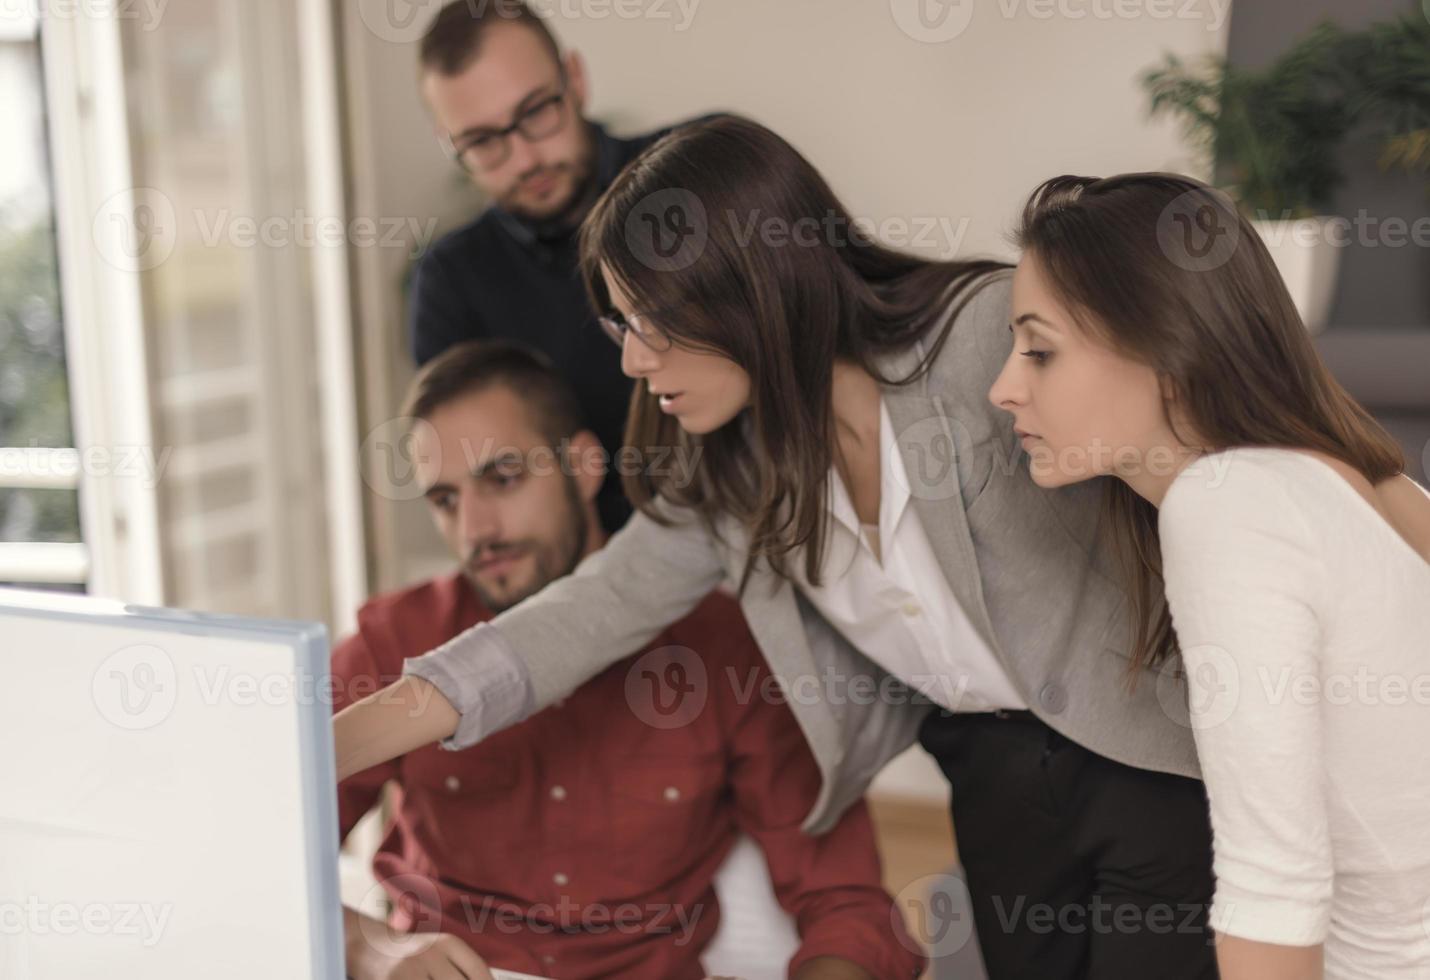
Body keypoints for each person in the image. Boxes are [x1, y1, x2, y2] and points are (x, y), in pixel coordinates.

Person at [335, 115, 1219, 979]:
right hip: (990, 778)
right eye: (621, 326)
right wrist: (316, 747)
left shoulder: (987, 337)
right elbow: (576, 618)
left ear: (743, 286)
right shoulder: (733, 479)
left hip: (1144, 759)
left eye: (650, 321)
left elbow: (1203, 449)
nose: (634, 363)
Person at [335, 339, 923, 980]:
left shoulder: (725, 652)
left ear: (584, 467)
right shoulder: (393, 639)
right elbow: (250, 836)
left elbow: (844, 902)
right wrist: (376, 948)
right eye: (445, 500)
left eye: (502, 479)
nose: (475, 530)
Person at [989, 172, 1430, 979]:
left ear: (1162, 345)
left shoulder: (1226, 503)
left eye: (1040, 350)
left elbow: (1274, 889)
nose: (1004, 388)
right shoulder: (1340, 476)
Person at [410, 0, 718, 533]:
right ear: (449, 143)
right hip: (595, 581)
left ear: (574, 79)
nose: (526, 159)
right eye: (483, 141)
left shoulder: (703, 173)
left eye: (535, 113)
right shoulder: (451, 283)